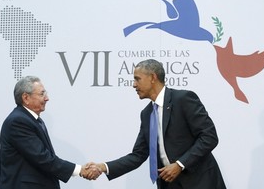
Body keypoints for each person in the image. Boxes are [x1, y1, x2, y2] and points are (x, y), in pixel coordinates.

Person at [83, 59, 226, 189]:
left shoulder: (183, 99)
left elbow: (209, 137)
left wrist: (180, 164)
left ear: (152, 77)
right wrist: (103, 167)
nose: (134, 85)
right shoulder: (147, 114)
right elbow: (138, 155)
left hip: (200, 183)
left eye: (137, 79)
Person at [0, 76, 100, 189]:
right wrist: (80, 170)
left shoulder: (33, 120)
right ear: (26, 98)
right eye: (42, 94)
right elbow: (42, 158)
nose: (47, 98)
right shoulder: (18, 121)